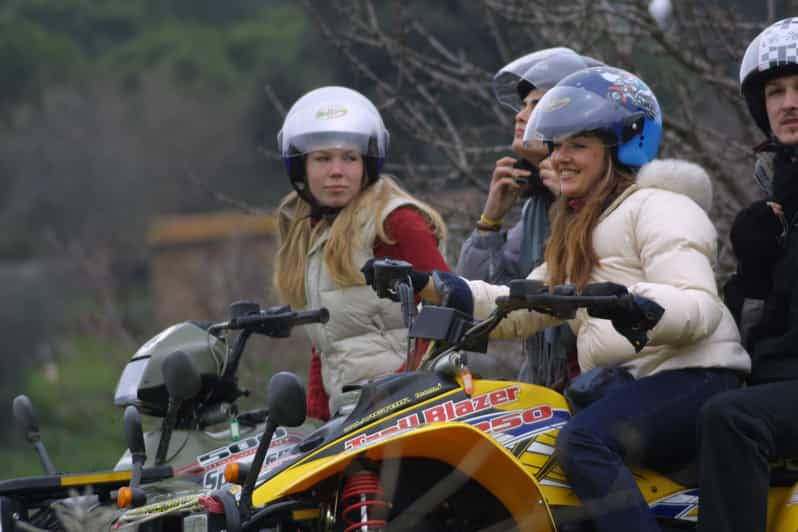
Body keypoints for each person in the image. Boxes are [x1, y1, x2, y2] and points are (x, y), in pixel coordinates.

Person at [366, 66, 749, 531]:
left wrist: (636, 304)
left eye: (579, 146)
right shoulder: (578, 228)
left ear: (623, 147)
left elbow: (699, 306)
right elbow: (521, 304)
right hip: (634, 381)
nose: (560, 157)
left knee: (581, 442)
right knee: (531, 439)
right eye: (557, 145)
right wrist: (432, 284)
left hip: (696, 376)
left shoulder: (660, 206)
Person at [273, 86, 449, 420]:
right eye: (323, 159)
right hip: (351, 413)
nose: (336, 171)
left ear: (366, 163)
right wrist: (313, 422)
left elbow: (450, 306)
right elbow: (327, 344)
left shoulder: (394, 221)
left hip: (404, 410)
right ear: (302, 168)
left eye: (350, 158)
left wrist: (404, 384)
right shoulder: (314, 231)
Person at [697, 17, 798, 532]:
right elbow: (761, 321)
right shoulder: (779, 190)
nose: (789, 103)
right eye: (776, 91)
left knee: (730, 418)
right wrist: (754, 266)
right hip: (780, 377)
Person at [457, 48, 601, 387]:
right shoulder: (535, 205)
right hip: (545, 379)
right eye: (523, 106)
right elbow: (486, 296)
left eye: (536, 105)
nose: (521, 116)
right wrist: (489, 222)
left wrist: (571, 207)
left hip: (596, 377)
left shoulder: (608, 197)